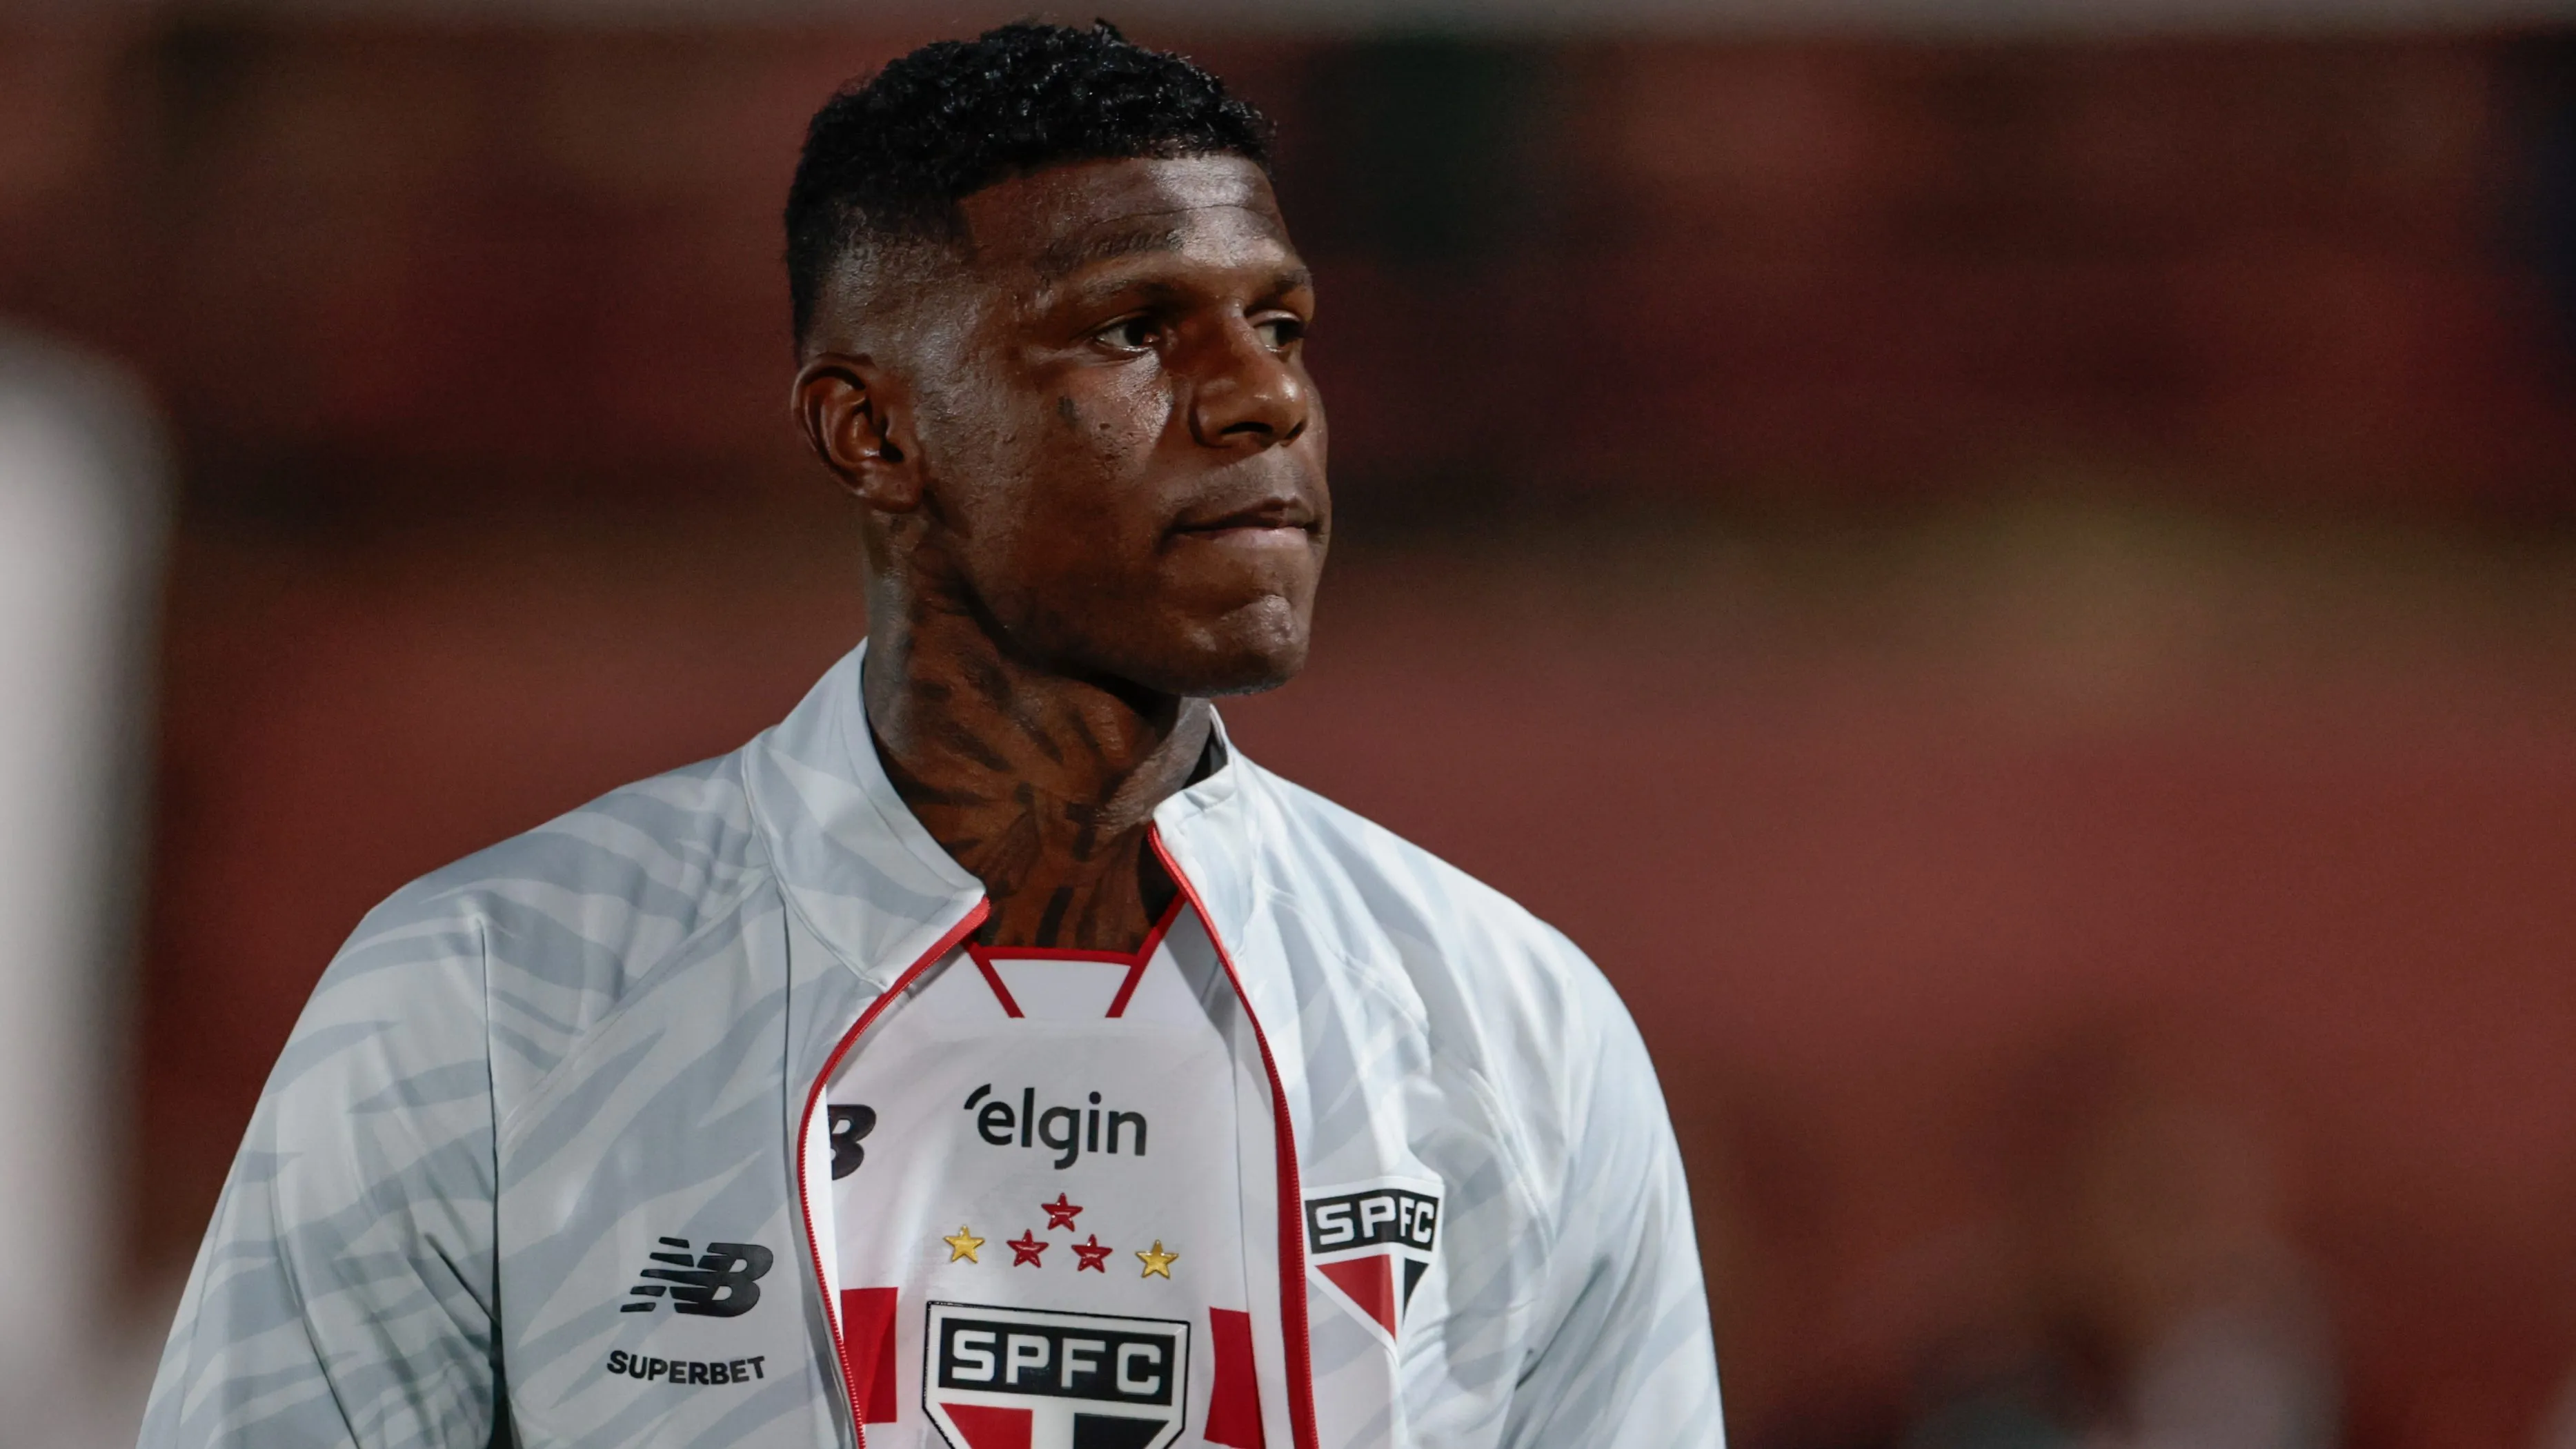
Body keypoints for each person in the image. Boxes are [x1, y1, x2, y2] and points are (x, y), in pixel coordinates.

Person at [137, 22, 1720, 1449]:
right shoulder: (490, 1000)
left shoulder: (1515, 1028)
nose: (1263, 402)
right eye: (1133, 332)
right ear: (874, 430)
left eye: (1283, 326)